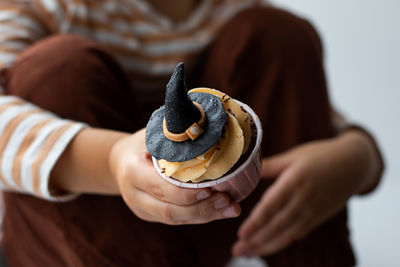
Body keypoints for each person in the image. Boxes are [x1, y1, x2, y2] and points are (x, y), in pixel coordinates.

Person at [0, 0, 384, 266]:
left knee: (278, 35)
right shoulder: (44, 9)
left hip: (214, 222)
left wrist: (359, 156)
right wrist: (112, 159)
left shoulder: (234, 11)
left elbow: (318, 117)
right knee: (56, 70)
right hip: (78, 242)